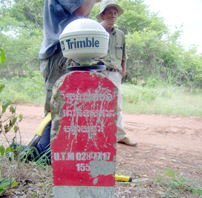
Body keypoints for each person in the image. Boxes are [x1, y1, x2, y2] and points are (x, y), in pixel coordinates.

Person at [30, 0, 101, 160]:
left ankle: (58, 151)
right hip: (59, 53)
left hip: (67, 52)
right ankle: (46, 151)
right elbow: (82, 10)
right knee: (56, 107)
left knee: (68, 105)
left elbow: (84, 14)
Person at [94, 0, 137, 146]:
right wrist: (101, 28)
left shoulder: (120, 34)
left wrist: (123, 71)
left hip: (115, 74)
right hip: (99, 72)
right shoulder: (95, 31)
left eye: (115, 13)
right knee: (99, 106)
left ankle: (120, 136)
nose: (113, 16)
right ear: (102, 15)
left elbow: (124, 55)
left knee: (116, 106)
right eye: (109, 13)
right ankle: (99, 137)